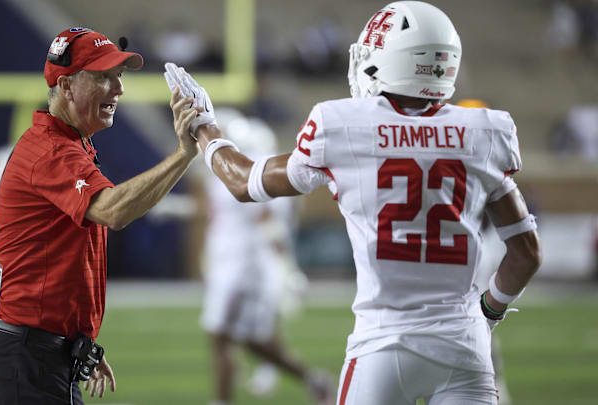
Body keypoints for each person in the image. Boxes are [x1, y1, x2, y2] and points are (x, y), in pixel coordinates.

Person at [164, 1, 542, 404]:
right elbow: (525, 254)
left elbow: (244, 182)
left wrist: (204, 128)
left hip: (383, 343)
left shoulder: (344, 125)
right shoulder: (484, 131)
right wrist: (488, 313)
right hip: (464, 345)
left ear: (395, 60)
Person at [0, 27, 202, 405]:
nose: (119, 88)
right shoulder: (51, 151)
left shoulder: (67, 145)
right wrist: (184, 154)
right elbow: (113, 210)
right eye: (103, 77)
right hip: (26, 357)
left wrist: (77, 343)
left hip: (37, 351)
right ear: (66, 87)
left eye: (119, 76)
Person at [200, 110, 330, 405]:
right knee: (250, 339)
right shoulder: (227, 174)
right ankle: (313, 379)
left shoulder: (250, 170)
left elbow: (267, 221)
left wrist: (287, 270)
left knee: (220, 334)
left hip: (243, 265)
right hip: (231, 263)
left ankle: (221, 402)